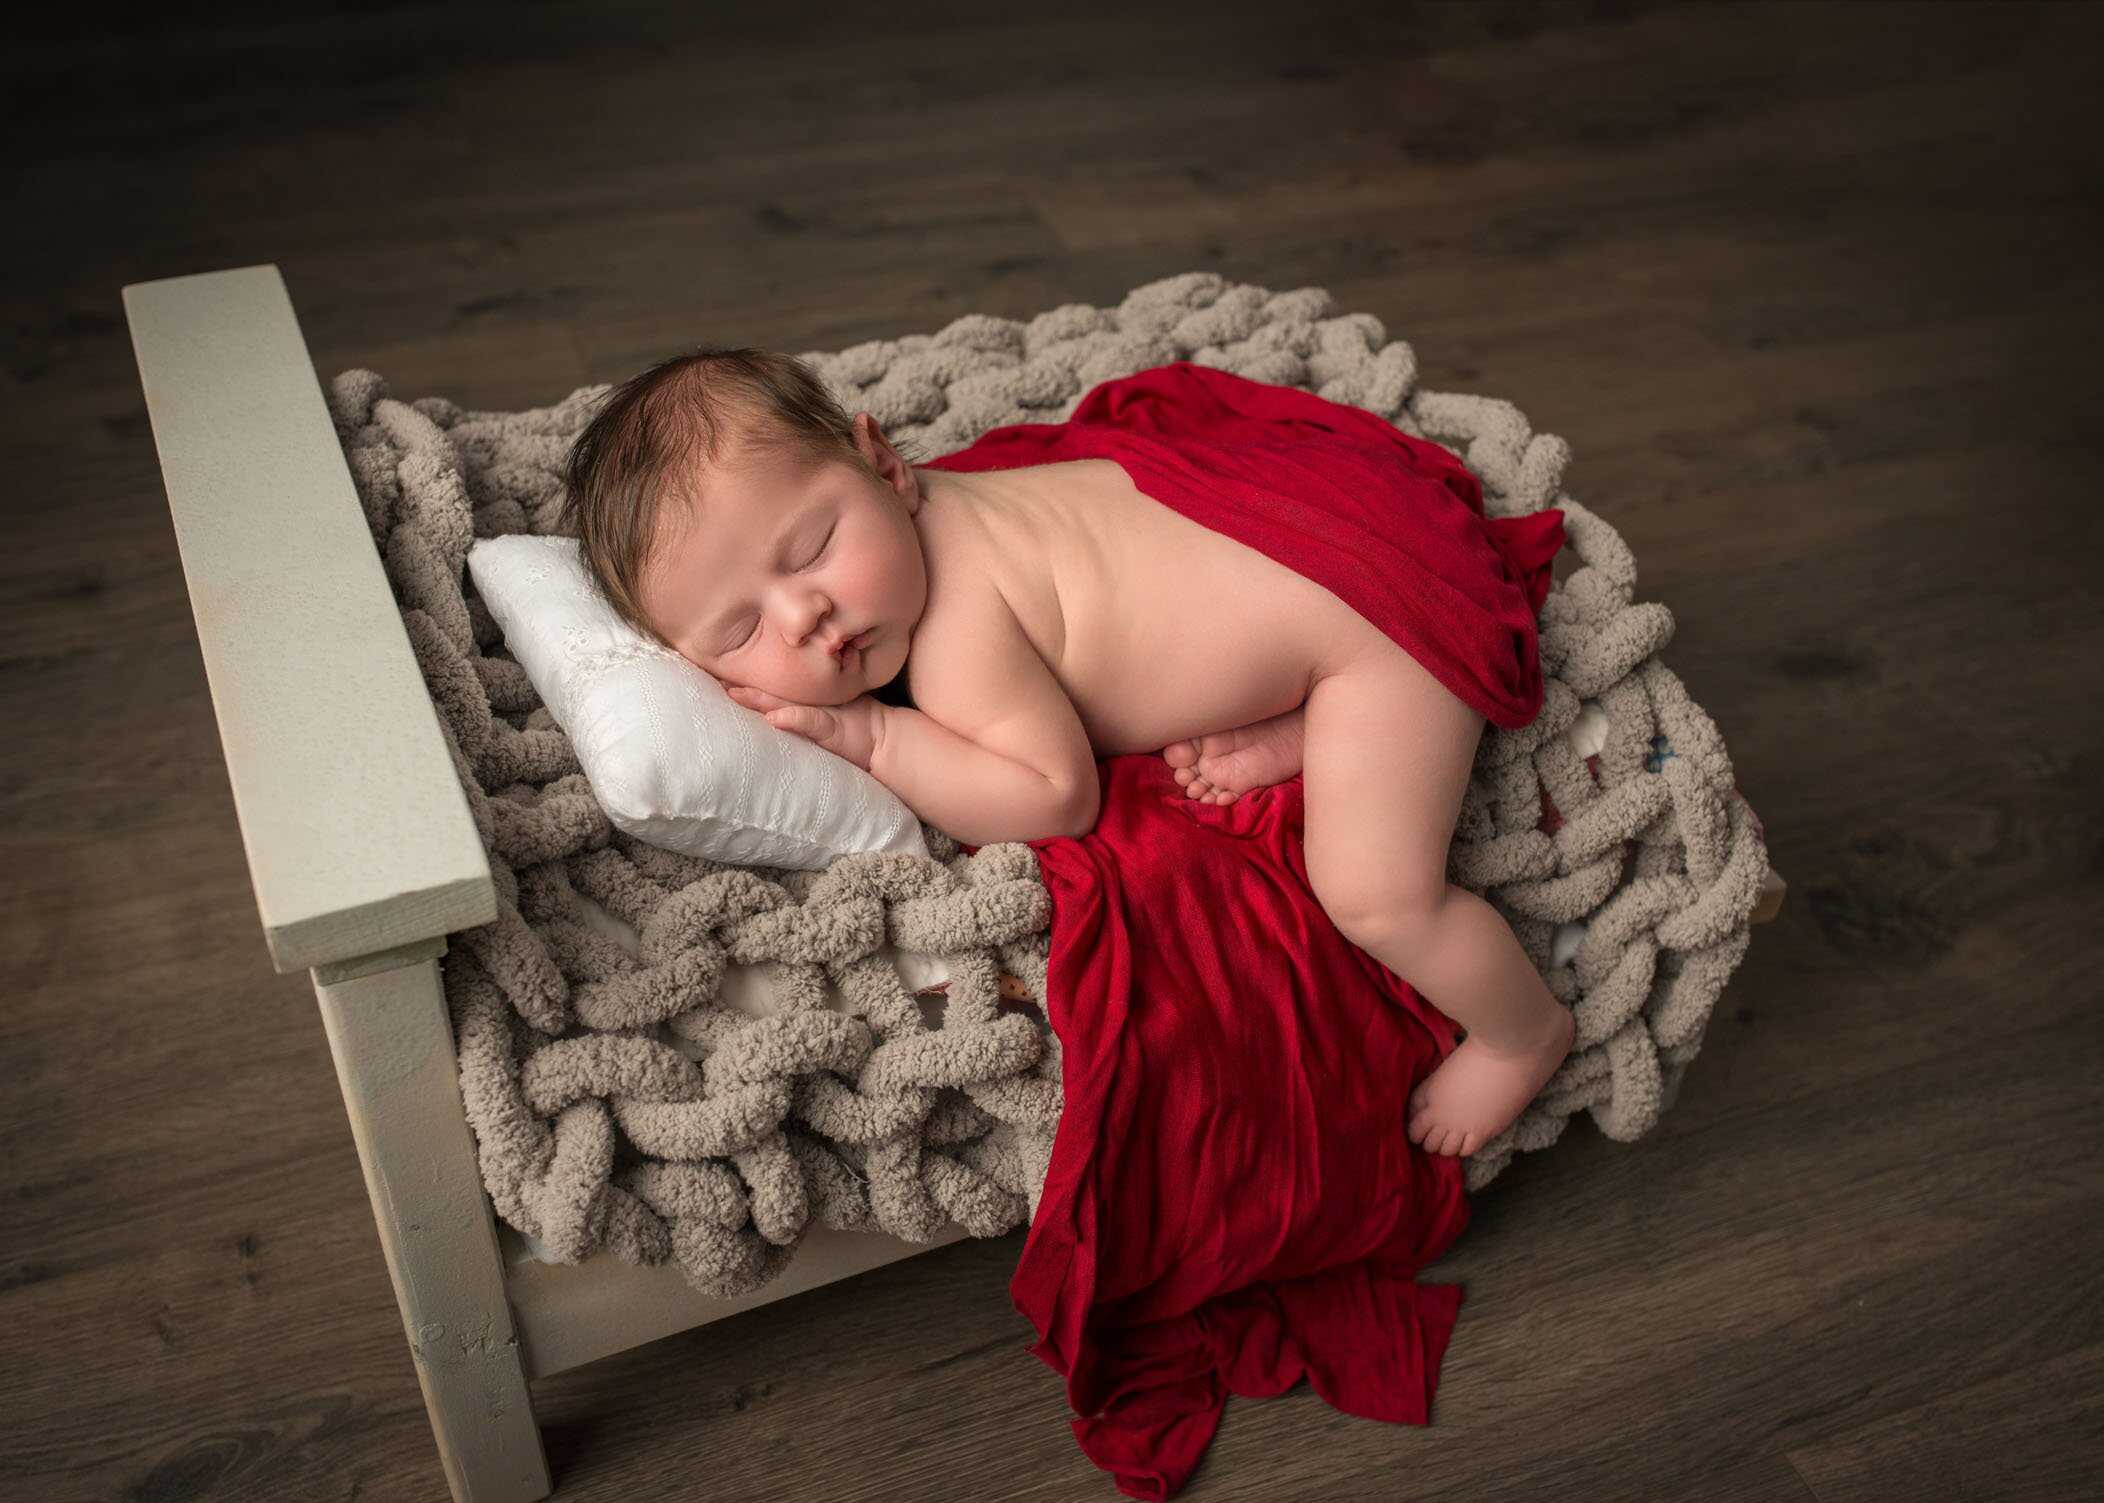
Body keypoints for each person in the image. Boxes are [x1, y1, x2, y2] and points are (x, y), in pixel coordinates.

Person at [559, 347, 1574, 1159]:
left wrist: (873, 735)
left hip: (1382, 615)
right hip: (1311, 519)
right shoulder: (937, 511)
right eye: (742, 632)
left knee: (1375, 894)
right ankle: (1297, 711)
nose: (805, 616)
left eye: (813, 547)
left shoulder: (957, 637)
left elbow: (1056, 796)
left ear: (883, 463)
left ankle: (1522, 1033)